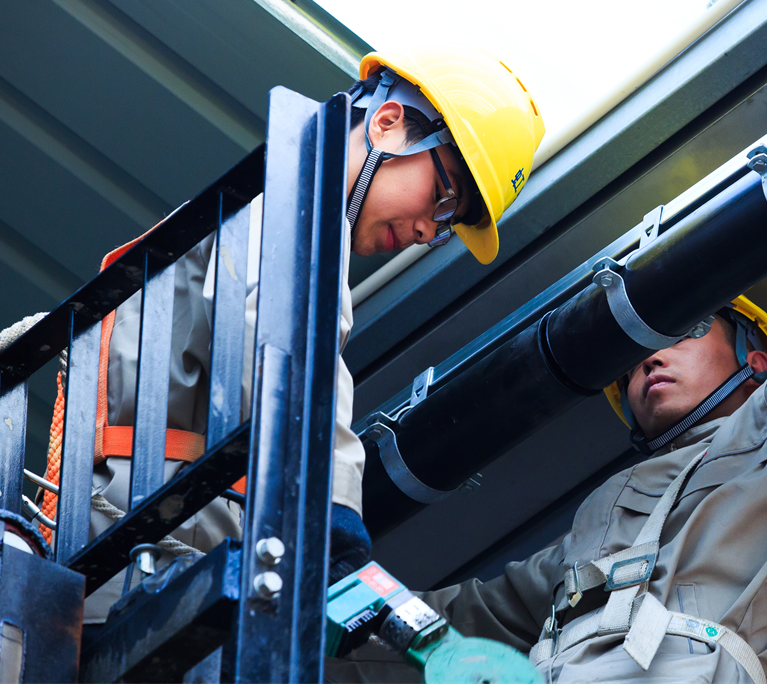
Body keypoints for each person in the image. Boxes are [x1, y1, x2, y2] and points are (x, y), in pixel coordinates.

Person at [326, 47, 767, 683]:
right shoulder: (594, 528)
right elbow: (450, 624)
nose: (647, 361)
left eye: (686, 329)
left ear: (756, 358)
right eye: (629, 362)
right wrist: (315, 604)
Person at [81, 45, 546, 620]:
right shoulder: (296, 204)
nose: (430, 228)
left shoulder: (281, 200)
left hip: (149, 534)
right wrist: (333, 511)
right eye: (443, 196)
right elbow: (290, 346)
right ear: (388, 124)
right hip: (143, 548)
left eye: (449, 224)